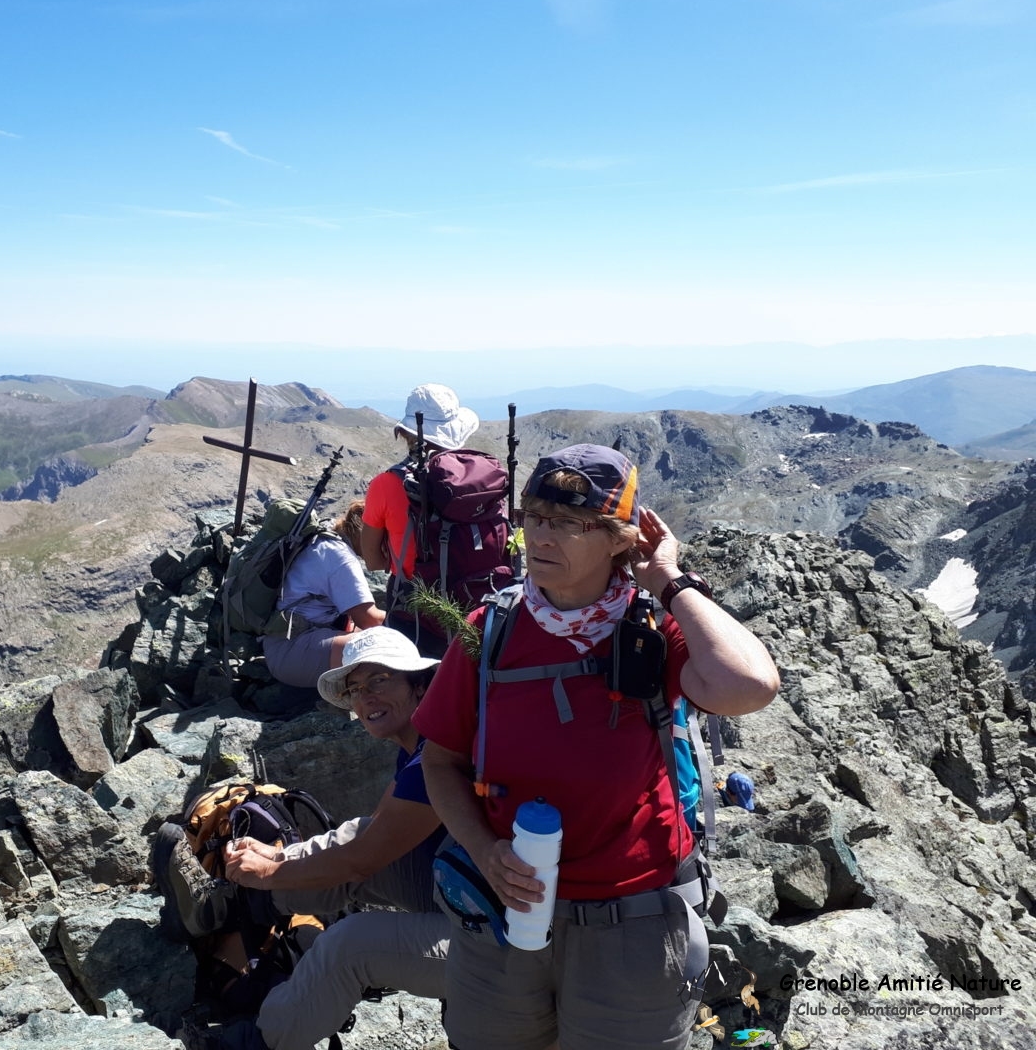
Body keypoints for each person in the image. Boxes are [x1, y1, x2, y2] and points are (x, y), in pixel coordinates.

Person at [414, 444, 780, 1050]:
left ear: (618, 540)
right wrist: (484, 851)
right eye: (535, 516)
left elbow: (751, 685)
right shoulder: (490, 630)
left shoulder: (652, 630)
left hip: (634, 921)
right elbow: (439, 760)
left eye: (569, 523)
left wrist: (669, 581)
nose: (541, 536)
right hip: (503, 912)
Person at [158, 627, 451, 1050]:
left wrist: (270, 871)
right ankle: (225, 907)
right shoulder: (419, 745)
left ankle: (257, 1042)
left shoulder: (436, 756)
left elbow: (362, 862)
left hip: (500, 944)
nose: (365, 697)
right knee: (358, 833)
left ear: (418, 684)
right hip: (462, 898)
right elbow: (374, 834)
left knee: (351, 946)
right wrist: (277, 861)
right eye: (355, 689)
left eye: (380, 680)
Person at [359, 384, 482, 650]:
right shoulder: (480, 479)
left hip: (414, 608)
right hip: (478, 597)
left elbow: (373, 560)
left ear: (405, 433)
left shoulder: (386, 484)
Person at [260, 499, 384, 689]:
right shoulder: (339, 557)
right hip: (289, 652)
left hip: (285, 643)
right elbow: (370, 620)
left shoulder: (328, 536)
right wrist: (415, 622)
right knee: (383, 645)